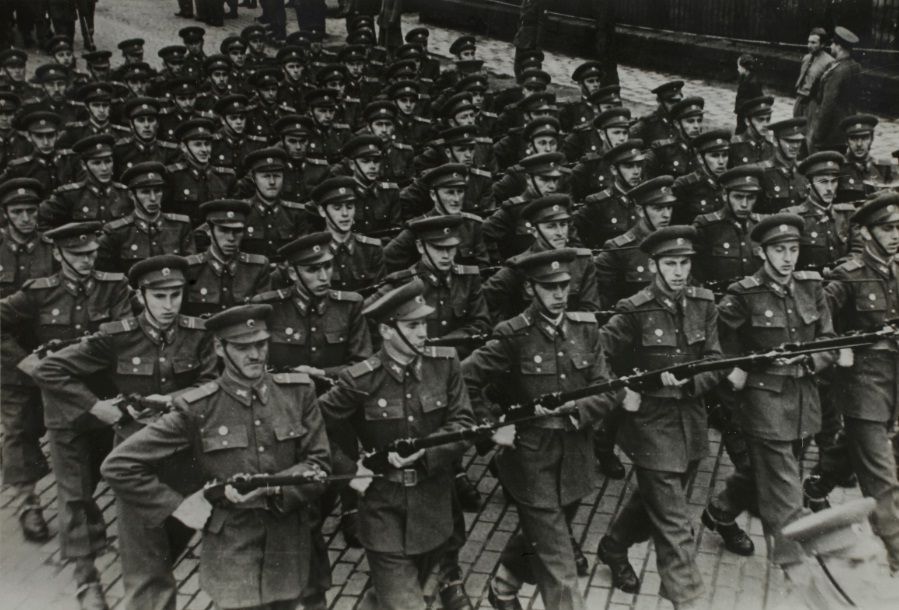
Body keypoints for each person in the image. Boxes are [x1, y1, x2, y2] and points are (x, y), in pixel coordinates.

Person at [102, 303, 331, 610]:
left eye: (261, 344)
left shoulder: (298, 393)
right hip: (232, 551)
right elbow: (119, 465)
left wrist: (274, 487)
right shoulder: (198, 407)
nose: (256, 355)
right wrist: (179, 506)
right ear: (219, 348)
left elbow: (319, 465)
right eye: (242, 347)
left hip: (288, 546)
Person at [34, 254, 216, 610]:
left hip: (186, 459)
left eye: (176, 295)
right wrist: (96, 407)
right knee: (147, 571)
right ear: (140, 295)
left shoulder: (198, 334)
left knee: (173, 543)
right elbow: (50, 370)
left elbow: (211, 382)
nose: (169, 305)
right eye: (159, 296)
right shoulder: (118, 337)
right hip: (135, 461)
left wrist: (172, 400)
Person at [462, 248, 620, 610]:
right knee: (559, 559)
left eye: (564, 285)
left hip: (576, 453)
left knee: (547, 530)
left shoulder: (585, 328)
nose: (559, 294)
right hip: (531, 459)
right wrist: (492, 426)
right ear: (530, 288)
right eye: (549, 287)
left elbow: (606, 387)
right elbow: (463, 378)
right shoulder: (513, 334)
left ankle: (504, 586)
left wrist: (577, 408)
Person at [318, 278, 476, 610]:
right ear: (387, 331)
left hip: (434, 505)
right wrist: (349, 471)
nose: (423, 333)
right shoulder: (361, 379)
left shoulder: (444, 364)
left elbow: (464, 424)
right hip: (383, 507)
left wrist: (427, 450)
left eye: (424, 324)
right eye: (413, 325)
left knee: (393, 595)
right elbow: (311, 428)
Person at [596, 226, 724, 605]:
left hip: (690, 422)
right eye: (670, 264)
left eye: (684, 263)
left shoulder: (703, 303)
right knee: (675, 523)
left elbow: (715, 360)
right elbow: (596, 358)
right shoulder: (634, 310)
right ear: (653, 266)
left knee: (655, 497)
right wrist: (623, 392)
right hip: (650, 425)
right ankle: (687, 597)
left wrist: (692, 380)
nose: (679, 272)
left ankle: (613, 546)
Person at [714, 213, 836, 572]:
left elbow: (829, 339)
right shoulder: (744, 294)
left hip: (803, 400)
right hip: (763, 404)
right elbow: (714, 343)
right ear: (762, 252)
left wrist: (811, 358)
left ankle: (720, 511)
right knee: (785, 489)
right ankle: (792, 563)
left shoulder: (811, 287)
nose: (787, 258)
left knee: (764, 471)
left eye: (793, 249)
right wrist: (734, 371)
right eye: (779, 250)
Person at [800, 192, 899, 572]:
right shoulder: (849, 275)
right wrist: (841, 346)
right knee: (882, 477)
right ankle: (895, 551)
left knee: (855, 446)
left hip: (892, 385)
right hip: (861, 387)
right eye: (886, 229)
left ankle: (818, 485)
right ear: (868, 233)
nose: (895, 235)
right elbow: (816, 321)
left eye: (898, 228)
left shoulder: (895, 270)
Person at [96, 162, 195, 275]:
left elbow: (191, 271)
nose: (153, 198)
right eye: (145, 192)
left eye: (157, 191)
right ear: (131, 195)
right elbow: (109, 277)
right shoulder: (117, 232)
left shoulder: (180, 226)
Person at [183, 199, 271, 317]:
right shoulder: (190, 268)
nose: (231, 238)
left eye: (237, 231)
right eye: (223, 230)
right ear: (209, 231)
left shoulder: (257, 268)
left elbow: (262, 315)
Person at [692, 164, 763, 287]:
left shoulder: (761, 226)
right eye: (738, 197)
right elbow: (694, 276)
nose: (744, 204)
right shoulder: (706, 227)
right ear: (725, 195)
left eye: (750, 198)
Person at [810, 27, 861, 153]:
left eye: (833, 44)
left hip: (830, 132)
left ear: (839, 47)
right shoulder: (855, 66)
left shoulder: (838, 71)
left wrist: (818, 133)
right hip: (846, 127)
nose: (831, 46)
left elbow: (828, 104)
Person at [672, 129, 730, 224]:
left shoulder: (731, 183)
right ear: (700, 158)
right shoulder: (685, 185)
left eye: (725, 155)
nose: (721, 162)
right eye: (715, 156)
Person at [794, 28, 834, 120]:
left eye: (813, 43)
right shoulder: (806, 58)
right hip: (800, 98)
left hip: (813, 102)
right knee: (796, 124)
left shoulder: (829, 62)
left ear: (822, 44)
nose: (809, 45)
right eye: (808, 42)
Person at [734, 54, 764, 134]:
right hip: (743, 113)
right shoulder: (746, 78)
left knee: (743, 132)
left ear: (744, 68)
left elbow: (757, 100)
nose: (737, 69)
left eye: (738, 66)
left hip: (747, 114)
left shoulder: (752, 82)